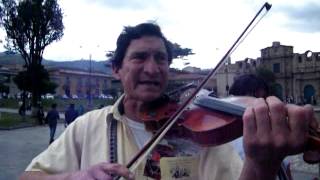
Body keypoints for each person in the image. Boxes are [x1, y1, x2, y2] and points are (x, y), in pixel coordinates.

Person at [20, 23, 320, 180]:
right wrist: (75, 176)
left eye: (161, 59)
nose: (152, 68)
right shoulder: (87, 127)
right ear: (116, 69)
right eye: (139, 57)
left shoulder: (204, 136)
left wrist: (261, 165)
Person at [229, 74, 292, 179]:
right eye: (250, 98)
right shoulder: (225, 145)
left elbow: (287, 173)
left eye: (262, 99)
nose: (259, 106)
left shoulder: (275, 138)